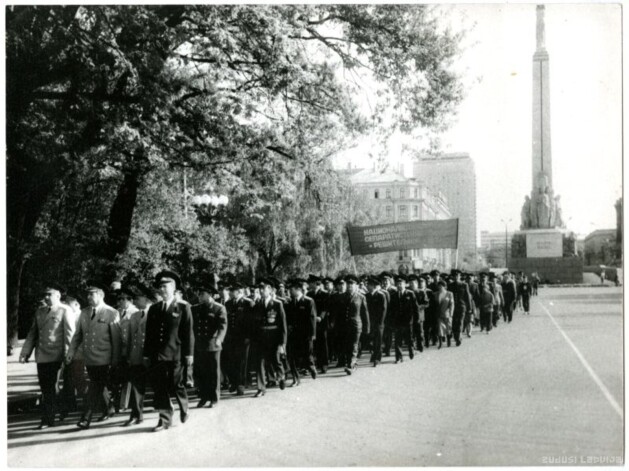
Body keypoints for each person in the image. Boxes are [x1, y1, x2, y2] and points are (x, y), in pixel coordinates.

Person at [143, 270, 194, 432]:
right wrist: (146, 354)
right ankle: (164, 419)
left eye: (165, 287)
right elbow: (149, 334)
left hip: (176, 354)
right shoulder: (154, 309)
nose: (162, 290)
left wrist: (189, 354)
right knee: (159, 387)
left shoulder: (183, 307)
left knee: (176, 383)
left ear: (173, 288)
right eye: (160, 287)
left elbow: (188, 333)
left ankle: (184, 406)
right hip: (157, 355)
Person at [66, 282, 121, 429]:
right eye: (87, 294)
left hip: (105, 357)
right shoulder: (84, 313)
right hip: (89, 357)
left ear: (101, 295)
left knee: (94, 386)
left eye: (92, 294)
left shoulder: (111, 313)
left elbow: (116, 340)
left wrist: (115, 360)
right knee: (98, 384)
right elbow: (77, 336)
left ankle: (86, 417)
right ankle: (109, 408)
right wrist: (71, 352)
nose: (88, 297)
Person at [20, 285, 75, 429]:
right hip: (42, 354)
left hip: (57, 355)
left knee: (50, 387)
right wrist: (25, 353)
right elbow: (33, 333)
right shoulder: (40, 311)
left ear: (58, 296)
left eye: (49, 294)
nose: (45, 297)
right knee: (46, 388)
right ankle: (60, 410)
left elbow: (69, 334)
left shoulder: (65, 310)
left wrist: (69, 354)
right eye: (45, 294)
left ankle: (47, 418)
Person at [120, 284, 153, 426]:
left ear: (146, 299)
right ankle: (136, 415)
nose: (135, 301)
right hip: (136, 356)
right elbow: (130, 338)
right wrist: (127, 355)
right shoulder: (134, 315)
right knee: (136, 386)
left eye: (138, 298)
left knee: (159, 386)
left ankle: (167, 411)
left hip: (151, 357)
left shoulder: (155, 313)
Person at [192, 283, 227, 407]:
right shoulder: (196, 308)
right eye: (199, 294)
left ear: (210, 295)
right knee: (202, 372)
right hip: (200, 344)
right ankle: (204, 396)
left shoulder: (219, 308)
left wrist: (219, 338)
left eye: (202, 294)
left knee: (214, 372)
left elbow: (223, 325)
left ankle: (214, 397)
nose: (200, 297)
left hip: (213, 344)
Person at [252, 278, 287, 396]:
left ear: (270, 290)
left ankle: (281, 376)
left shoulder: (277, 304)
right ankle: (261, 388)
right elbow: (255, 325)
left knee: (276, 360)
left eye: (263, 288)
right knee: (259, 363)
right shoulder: (257, 304)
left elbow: (283, 325)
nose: (261, 291)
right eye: (260, 289)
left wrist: (282, 343)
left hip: (274, 339)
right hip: (261, 339)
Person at [110, 287, 138, 415]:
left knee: (128, 378)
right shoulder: (117, 312)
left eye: (123, 299)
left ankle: (124, 404)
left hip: (129, 350)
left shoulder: (135, 312)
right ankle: (118, 403)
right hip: (118, 350)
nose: (120, 301)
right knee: (117, 378)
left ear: (130, 300)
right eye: (119, 299)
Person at [59, 293, 88, 420]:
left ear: (77, 304)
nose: (66, 308)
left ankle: (89, 404)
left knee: (79, 379)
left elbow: (79, 337)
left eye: (68, 305)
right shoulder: (68, 314)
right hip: (70, 353)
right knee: (68, 380)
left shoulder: (82, 316)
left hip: (79, 353)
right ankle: (70, 405)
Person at [223, 282, 255, 395]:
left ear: (240, 291)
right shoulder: (228, 303)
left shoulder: (247, 303)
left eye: (234, 291)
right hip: (231, 337)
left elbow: (251, 322)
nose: (231, 293)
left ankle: (241, 384)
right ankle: (234, 382)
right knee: (231, 360)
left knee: (242, 362)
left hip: (243, 337)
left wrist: (248, 336)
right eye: (231, 291)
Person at [285, 279, 317, 386]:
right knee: (292, 356)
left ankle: (311, 366)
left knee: (307, 354)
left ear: (298, 290)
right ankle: (295, 378)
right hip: (293, 334)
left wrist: (312, 334)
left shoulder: (308, 301)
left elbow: (312, 318)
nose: (289, 291)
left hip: (305, 334)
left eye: (291, 289)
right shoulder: (289, 302)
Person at [341, 275, 370, 374]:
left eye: (352, 285)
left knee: (354, 345)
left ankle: (351, 365)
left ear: (356, 286)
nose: (349, 286)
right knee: (347, 345)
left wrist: (367, 327)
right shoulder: (342, 296)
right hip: (345, 325)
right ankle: (352, 362)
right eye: (348, 285)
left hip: (356, 325)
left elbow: (365, 313)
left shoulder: (361, 297)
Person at [389, 275, 418, 363]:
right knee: (398, 340)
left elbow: (415, 308)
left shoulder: (410, 294)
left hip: (408, 321)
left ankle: (411, 350)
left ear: (405, 284)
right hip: (397, 321)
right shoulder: (393, 295)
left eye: (401, 284)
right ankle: (398, 357)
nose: (399, 286)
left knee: (409, 338)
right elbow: (391, 309)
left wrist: (415, 320)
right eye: (398, 284)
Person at [307, 275, 330, 374]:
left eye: (310, 283)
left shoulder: (325, 294)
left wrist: (320, 317)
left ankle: (324, 364)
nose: (309, 284)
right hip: (312, 323)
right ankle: (317, 363)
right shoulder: (309, 294)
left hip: (321, 323)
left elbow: (326, 308)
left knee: (323, 344)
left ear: (315, 283)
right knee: (314, 344)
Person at [365, 276, 387, 367]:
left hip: (378, 323)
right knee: (370, 340)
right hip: (369, 322)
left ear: (374, 286)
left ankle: (377, 358)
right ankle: (374, 355)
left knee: (378, 341)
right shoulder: (366, 296)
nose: (367, 287)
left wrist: (380, 323)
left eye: (369, 285)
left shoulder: (381, 295)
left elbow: (383, 310)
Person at [447, 270, 472, 346]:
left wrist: (469, 307)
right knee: (454, 322)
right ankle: (456, 336)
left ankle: (458, 338)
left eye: (457, 276)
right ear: (452, 277)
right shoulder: (450, 285)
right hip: (453, 307)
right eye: (454, 276)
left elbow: (467, 297)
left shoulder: (464, 285)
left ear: (459, 276)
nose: (456, 277)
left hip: (462, 306)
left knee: (460, 322)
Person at [407, 274, 426, 352]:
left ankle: (420, 345)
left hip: (419, 315)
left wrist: (419, 307)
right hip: (410, 315)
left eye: (413, 283)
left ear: (417, 284)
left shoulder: (421, 292)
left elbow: (426, 303)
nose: (411, 285)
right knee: (411, 332)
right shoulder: (407, 292)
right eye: (410, 283)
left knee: (420, 331)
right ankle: (413, 346)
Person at [435, 281, 454, 348]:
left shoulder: (449, 294)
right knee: (440, 328)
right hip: (439, 314)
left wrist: (451, 313)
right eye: (439, 286)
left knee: (448, 328)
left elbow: (451, 304)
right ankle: (440, 343)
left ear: (445, 287)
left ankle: (448, 340)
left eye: (441, 286)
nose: (440, 288)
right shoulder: (435, 294)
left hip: (447, 314)